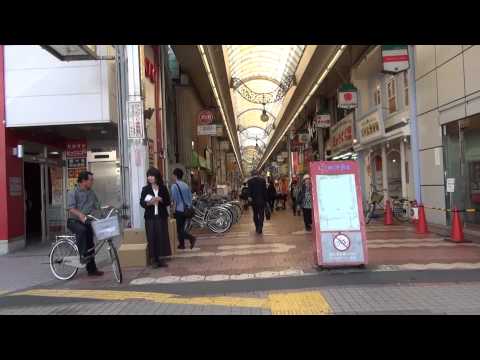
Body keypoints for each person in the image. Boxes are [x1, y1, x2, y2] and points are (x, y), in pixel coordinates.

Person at [66, 171, 103, 277]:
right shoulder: (73, 192)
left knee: (91, 243)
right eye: (91, 180)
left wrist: (104, 210)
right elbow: (71, 208)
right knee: (82, 230)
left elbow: (97, 205)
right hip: (74, 221)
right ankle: (82, 256)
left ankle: (92, 270)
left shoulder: (91, 192)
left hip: (87, 220)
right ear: (83, 181)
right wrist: (81, 215)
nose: (92, 182)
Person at [140, 167, 171, 268]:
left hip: (161, 216)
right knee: (151, 237)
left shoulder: (163, 188)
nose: (150, 178)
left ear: (157, 177)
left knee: (161, 237)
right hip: (150, 217)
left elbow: (168, 202)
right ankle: (154, 259)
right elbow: (142, 203)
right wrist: (149, 203)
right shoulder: (145, 189)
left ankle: (161, 259)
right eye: (148, 176)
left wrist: (161, 199)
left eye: (152, 176)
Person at [170, 168, 196, 250]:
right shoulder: (186, 185)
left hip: (179, 210)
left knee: (179, 229)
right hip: (187, 210)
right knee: (181, 228)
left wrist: (173, 210)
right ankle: (182, 245)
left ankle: (191, 238)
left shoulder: (174, 186)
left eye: (172, 175)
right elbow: (190, 197)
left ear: (175, 176)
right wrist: (189, 206)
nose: (172, 176)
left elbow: (174, 200)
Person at [247, 170, 268, 234]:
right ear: (258, 174)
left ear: (252, 174)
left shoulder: (250, 181)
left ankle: (257, 227)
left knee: (255, 214)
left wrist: (249, 198)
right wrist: (266, 200)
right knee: (261, 215)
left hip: (254, 201)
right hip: (262, 200)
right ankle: (260, 228)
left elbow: (249, 192)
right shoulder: (263, 180)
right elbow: (265, 191)